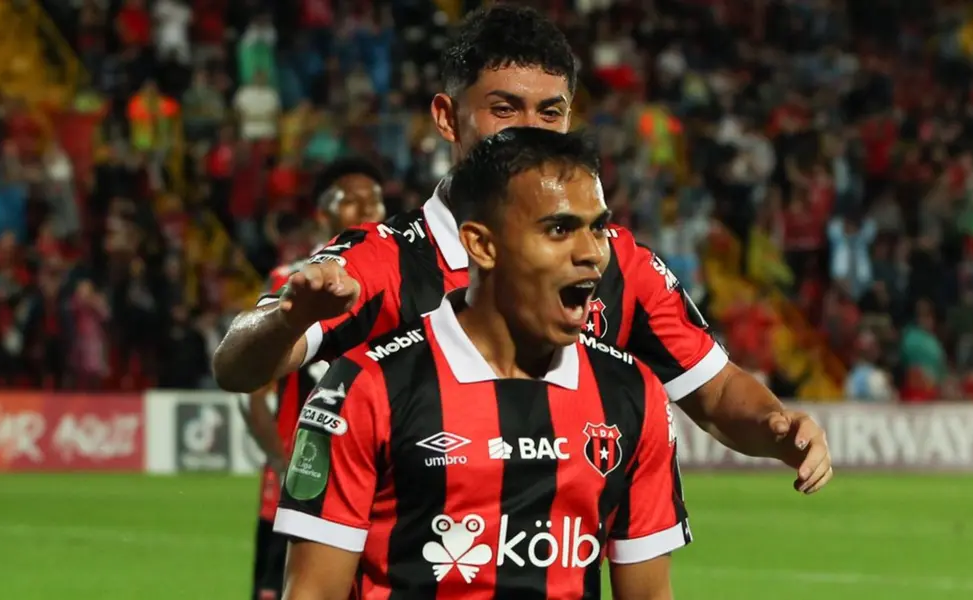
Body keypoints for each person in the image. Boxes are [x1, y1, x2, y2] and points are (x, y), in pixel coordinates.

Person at [213, 4, 832, 498]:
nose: (530, 132)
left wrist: (780, 430)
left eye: (550, 112)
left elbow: (717, 393)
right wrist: (290, 316)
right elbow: (237, 366)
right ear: (448, 117)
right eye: (503, 109)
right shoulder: (385, 259)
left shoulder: (616, 264)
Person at [276, 127, 687, 599]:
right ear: (482, 245)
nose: (593, 253)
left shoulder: (634, 392)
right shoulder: (364, 387)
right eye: (559, 229)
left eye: (597, 227)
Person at [239, 156, 386, 600]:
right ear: (324, 214)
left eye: (375, 201)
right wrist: (281, 463)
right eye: (351, 201)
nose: (366, 211)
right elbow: (252, 394)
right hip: (300, 480)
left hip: (375, 483)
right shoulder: (291, 283)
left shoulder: (398, 283)